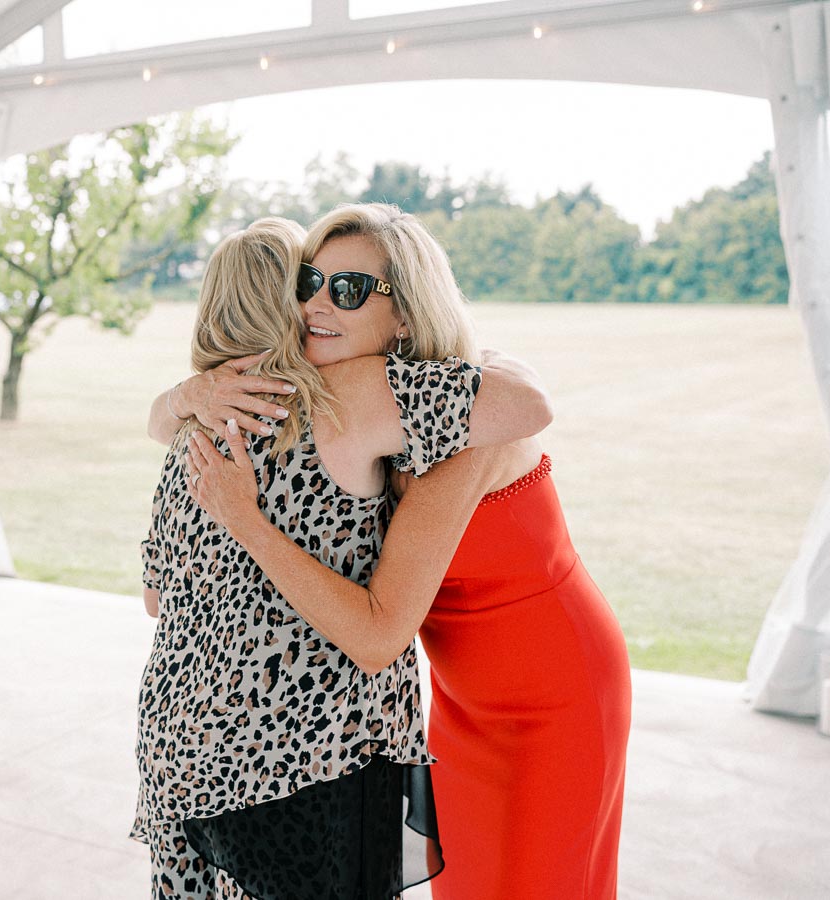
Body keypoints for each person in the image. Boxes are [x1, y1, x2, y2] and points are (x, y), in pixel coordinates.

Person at [181, 203, 632, 899]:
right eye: (308, 282)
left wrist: (247, 521)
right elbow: (170, 428)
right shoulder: (352, 400)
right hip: (461, 701)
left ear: (404, 316)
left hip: (555, 696)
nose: (315, 305)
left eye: (350, 289)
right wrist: (194, 391)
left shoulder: (467, 418)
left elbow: (378, 634)